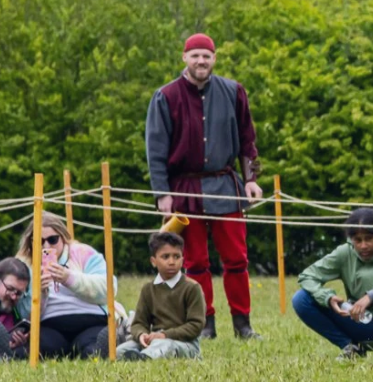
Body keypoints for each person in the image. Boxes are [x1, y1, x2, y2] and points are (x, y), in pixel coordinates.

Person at [145, 32, 265, 340]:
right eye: (195, 55)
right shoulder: (165, 96)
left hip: (226, 185)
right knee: (195, 262)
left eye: (206, 56)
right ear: (184, 57)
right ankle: (204, 325)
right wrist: (162, 193)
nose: (201, 61)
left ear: (214, 58)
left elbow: (248, 141)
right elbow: (155, 150)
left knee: (237, 259)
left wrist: (251, 180)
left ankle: (243, 325)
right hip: (185, 190)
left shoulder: (234, 91)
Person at [292, 208, 373, 358]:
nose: (363, 245)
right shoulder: (344, 252)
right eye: (358, 240)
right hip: (357, 321)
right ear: (351, 239)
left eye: (369, 238)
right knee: (301, 298)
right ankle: (350, 347)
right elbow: (307, 276)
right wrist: (327, 298)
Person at [8, 214, 122, 359]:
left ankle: (101, 347)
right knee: (39, 348)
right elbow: (22, 312)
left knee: (91, 350)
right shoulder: (23, 265)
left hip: (90, 318)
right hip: (49, 324)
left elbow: (109, 289)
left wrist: (69, 278)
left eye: (52, 240)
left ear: (63, 238)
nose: (46, 246)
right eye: (39, 241)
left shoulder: (83, 253)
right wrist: (40, 293)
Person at [118, 232, 205, 361]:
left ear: (182, 259)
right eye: (165, 257)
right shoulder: (148, 289)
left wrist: (164, 335)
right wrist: (142, 335)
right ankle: (140, 356)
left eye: (176, 256)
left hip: (185, 344)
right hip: (155, 340)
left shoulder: (192, 287)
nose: (172, 262)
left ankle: (144, 358)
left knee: (165, 346)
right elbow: (139, 322)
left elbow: (195, 325)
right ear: (153, 261)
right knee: (121, 351)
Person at [0, 258, 30, 355]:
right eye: (10, 288)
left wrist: (14, 344)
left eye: (18, 293)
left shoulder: (15, 314)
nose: (13, 297)